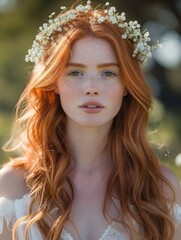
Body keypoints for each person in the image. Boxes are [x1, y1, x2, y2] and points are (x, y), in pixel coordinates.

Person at [0, 1, 180, 239]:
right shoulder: (13, 186)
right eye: (75, 72)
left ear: (127, 85)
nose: (91, 88)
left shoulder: (160, 187)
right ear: (54, 83)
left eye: (108, 73)